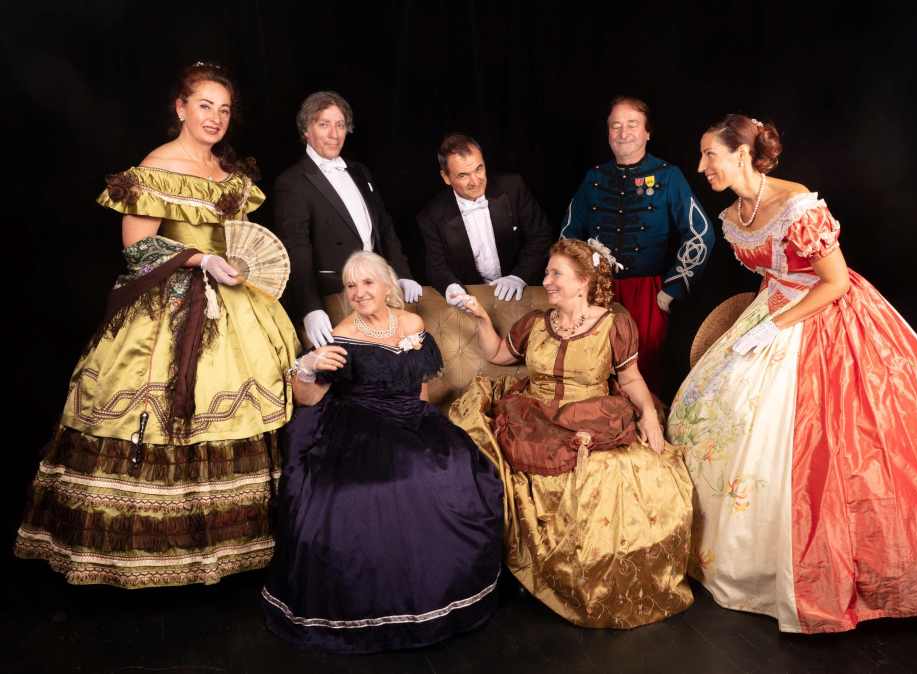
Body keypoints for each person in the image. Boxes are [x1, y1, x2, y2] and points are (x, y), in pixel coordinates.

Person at [667, 114, 917, 633]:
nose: (701, 166)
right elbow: (774, 274)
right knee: (714, 415)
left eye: (710, 155)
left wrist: (778, 326)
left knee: (845, 445)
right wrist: (764, 320)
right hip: (773, 309)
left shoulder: (798, 206)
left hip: (826, 317)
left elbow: (833, 283)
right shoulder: (733, 212)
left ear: (741, 155)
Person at [14, 62, 298, 587]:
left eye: (224, 109)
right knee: (161, 407)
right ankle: (146, 555)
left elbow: (234, 237)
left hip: (233, 303)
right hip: (168, 306)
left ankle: (229, 545)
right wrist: (199, 260)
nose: (215, 118)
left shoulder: (228, 174)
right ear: (181, 108)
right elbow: (139, 249)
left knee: (236, 408)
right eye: (204, 106)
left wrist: (227, 263)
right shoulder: (155, 167)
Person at [261, 251, 503, 654]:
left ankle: (441, 591)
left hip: (411, 417)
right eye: (350, 285)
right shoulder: (341, 333)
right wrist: (307, 364)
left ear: (387, 285)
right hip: (356, 420)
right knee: (375, 484)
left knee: (449, 466)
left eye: (367, 283)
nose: (358, 293)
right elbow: (309, 396)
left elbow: (420, 385)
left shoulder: (412, 323)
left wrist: (425, 420)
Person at [448, 239, 694, 629]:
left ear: (583, 281)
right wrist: (480, 317)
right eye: (547, 273)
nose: (546, 281)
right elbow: (498, 355)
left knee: (616, 475)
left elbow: (629, 378)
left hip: (593, 415)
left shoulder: (615, 323)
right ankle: (555, 576)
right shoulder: (535, 322)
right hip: (536, 417)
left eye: (555, 274)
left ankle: (602, 581)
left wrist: (648, 414)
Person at [561, 96, 715, 390]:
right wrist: (575, 285)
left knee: (645, 372)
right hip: (596, 293)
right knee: (594, 370)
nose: (623, 132)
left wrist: (673, 287)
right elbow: (568, 235)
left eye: (632, 124)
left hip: (648, 293)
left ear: (647, 132)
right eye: (615, 126)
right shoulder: (593, 177)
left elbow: (700, 234)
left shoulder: (669, 176)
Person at [274, 91, 422, 347]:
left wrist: (403, 273)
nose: (334, 133)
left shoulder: (359, 171)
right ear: (306, 130)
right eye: (324, 124)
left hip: (379, 289)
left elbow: (384, 227)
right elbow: (297, 250)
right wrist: (310, 308)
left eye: (340, 125)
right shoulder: (292, 182)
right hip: (336, 294)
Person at [417, 133, 551, 306]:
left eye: (479, 169)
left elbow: (540, 236)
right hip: (473, 298)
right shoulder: (431, 215)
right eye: (463, 175)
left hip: (524, 290)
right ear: (446, 177)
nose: (476, 181)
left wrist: (519, 276)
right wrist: (450, 286)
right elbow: (436, 266)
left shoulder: (513, 188)